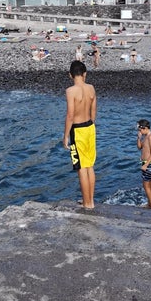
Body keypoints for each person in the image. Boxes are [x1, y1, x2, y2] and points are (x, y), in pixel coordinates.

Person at [63, 60, 97, 210]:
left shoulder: (71, 91)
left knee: (81, 168)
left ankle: (87, 203)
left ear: (70, 75)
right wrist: (90, 125)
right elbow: (93, 111)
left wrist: (65, 136)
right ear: (85, 74)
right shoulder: (91, 88)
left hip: (77, 130)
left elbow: (70, 115)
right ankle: (91, 201)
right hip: (90, 127)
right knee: (90, 165)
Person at [137, 119, 151, 209]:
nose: (139, 131)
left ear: (145, 128)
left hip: (149, 164)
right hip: (147, 163)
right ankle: (150, 203)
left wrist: (146, 165)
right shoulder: (145, 136)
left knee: (146, 185)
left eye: (140, 130)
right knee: (150, 184)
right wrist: (139, 137)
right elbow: (139, 147)